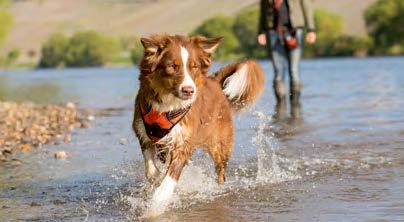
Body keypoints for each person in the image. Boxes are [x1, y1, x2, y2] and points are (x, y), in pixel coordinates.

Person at [257, 0, 316, 119]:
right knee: (278, 72)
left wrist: (311, 29)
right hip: (272, 31)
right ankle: (280, 107)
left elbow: (306, 5)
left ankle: (296, 107)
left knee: (294, 71)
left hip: (294, 30)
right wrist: (261, 31)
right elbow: (263, 10)